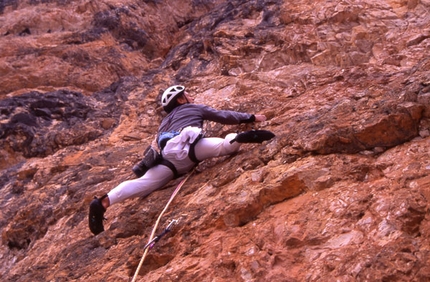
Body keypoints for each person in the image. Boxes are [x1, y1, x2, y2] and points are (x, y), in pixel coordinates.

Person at [89, 85, 274, 235]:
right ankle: (238, 137)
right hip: (190, 144)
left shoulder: (163, 123)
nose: (192, 96)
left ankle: (104, 202)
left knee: (144, 183)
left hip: (168, 158)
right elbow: (223, 116)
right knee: (225, 147)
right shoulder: (194, 108)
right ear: (180, 99)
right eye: (188, 94)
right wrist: (250, 117)